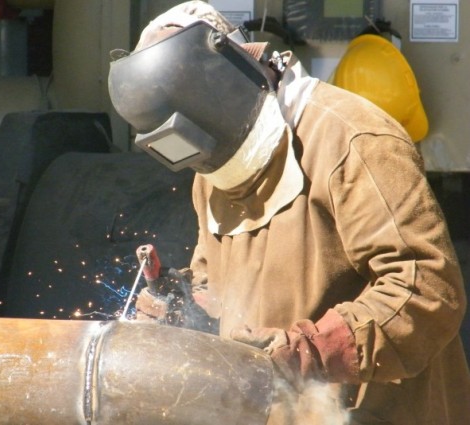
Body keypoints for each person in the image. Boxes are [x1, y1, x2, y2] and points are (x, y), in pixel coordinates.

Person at [107, 2, 470, 424]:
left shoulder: (353, 140)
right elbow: (218, 285)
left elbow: (426, 289)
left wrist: (309, 353)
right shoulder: (212, 168)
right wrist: (183, 303)